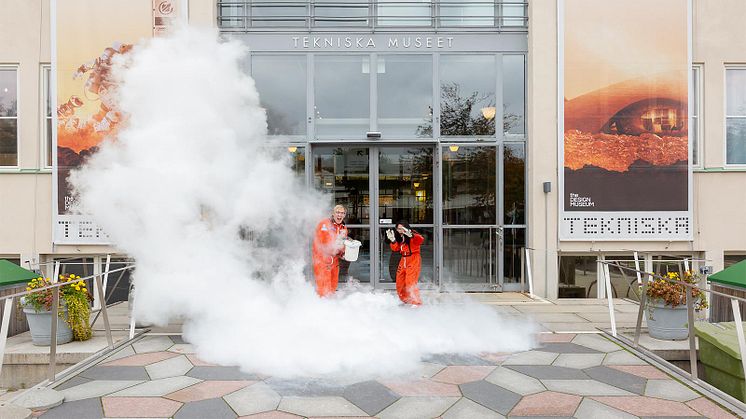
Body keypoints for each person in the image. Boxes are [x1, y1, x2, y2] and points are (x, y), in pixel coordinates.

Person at [312, 205, 349, 297]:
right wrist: (334, 248)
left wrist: (343, 252)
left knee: (333, 285)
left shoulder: (343, 228)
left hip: (334, 261)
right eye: (337, 212)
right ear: (333, 213)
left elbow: (342, 244)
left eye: (342, 213)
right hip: (322, 260)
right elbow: (322, 242)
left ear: (344, 215)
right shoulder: (324, 224)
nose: (339, 215)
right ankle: (322, 306)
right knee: (323, 287)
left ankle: (330, 307)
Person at [386, 220, 424, 306]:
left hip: (413, 259)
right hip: (403, 259)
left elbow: (420, 240)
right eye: (398, 229)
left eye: (401, 228)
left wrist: (412, 235)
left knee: (410, 281)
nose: (400, 231)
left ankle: (416, 301)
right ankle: (405, 299)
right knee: (399, 282)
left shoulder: (412, 235)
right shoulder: (400, 237)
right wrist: (393, 240)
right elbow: (396, 249)